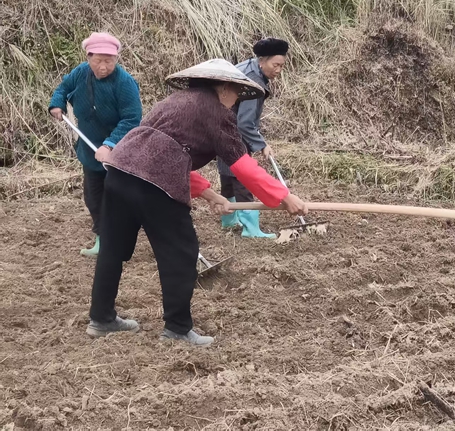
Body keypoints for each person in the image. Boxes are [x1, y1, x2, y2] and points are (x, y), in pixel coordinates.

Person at [85, 59, 308, 346]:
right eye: (237, 93)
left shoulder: (174, 102)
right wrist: (284, 197)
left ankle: (101, 318)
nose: (236, 101)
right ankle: (178, 328)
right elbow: (243, 166)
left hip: (120, 172)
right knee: (181, 252)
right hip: (155, 185)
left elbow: (161, 154)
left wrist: (211, 194)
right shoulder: (216, 111)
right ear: (224, 88)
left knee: (112, 248)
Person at [48, 32, 143, 256]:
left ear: (116, 59)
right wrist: (57, 104)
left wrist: (109, 145)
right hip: (89, 147)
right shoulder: (81, 72)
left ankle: (121, 238)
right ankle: (102, 240)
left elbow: (132, 119)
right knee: (94, 197)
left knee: (117, 196)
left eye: (109, 61)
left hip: (119, 151)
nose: (103, 67)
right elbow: (62, 88)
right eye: (98, 60)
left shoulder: (124, 82)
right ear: (88, 57)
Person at [218, 37, 288, 238]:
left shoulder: (247, 66)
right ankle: (250, 228)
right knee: (243, 176)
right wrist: (262, 145)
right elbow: (245, 122)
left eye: (282, 66)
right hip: (232, 129)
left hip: (220, 126)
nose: (278, 70)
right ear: (262, 61)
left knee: (227, 173)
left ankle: (228, 219)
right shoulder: (253, 81)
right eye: (275, 65)